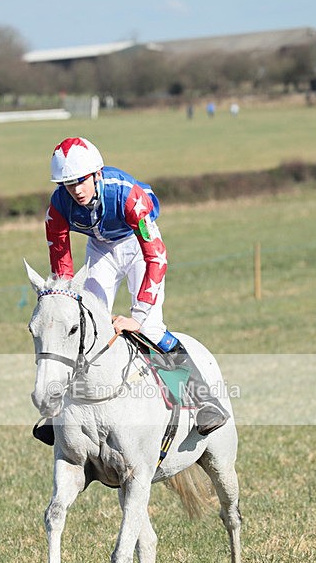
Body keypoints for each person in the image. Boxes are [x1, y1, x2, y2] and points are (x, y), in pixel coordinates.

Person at [33, 136, 229, 445]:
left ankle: (203, 401)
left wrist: (138, 315)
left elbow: (157, 255)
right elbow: (62, 266)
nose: (77, 190)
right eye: (69, 184)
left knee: (150, 327)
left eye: (82, 181)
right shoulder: (57, 208)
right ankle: (59, 412)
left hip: (139, 247)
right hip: (100, 249)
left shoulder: (128, 196)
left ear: (97, 174)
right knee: (84, 326)